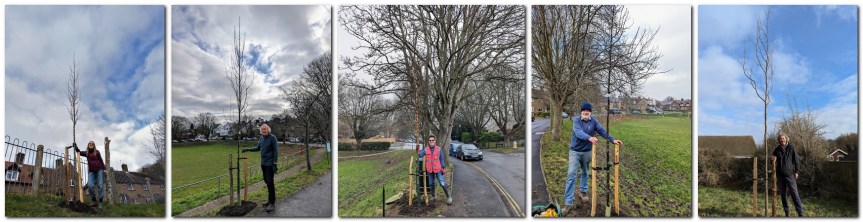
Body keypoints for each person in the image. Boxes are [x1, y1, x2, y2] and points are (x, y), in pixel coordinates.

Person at [562, 102, 622, 215]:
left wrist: (613, 140)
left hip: (587, 152)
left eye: (587, 111)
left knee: (585, 172)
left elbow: (602, 131)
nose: (585, 112)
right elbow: (578, 132)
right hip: (575, 151)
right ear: (581, 112)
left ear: (590, 112)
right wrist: (589, 137)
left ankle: (583, 192)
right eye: (584, 110)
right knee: (571, 174)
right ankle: (568, 202)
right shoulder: (576, 120)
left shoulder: (593, 121)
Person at [242, 124, 279, 213]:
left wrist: (275, 163)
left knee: (270, 182)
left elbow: (276, 150)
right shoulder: (261, 138)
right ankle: (269, 199)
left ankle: (272, 203)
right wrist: (248, 149)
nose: (263, 131)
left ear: (268, 130)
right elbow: (258, 148)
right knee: (266, 181)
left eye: (265, 129)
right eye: (262, 129)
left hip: (270, 164)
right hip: (263, 163)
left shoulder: (272, 138)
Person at [772, 134, 804, 217]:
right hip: (780, 176)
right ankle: (787, 212)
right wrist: (771, 159)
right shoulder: (777, 149)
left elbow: (796, 160)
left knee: (794, 194)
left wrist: (796, 171)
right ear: (779, 140)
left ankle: (800, 212)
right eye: (780, 139)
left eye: (783, 138)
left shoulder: (791, 148)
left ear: (786, 139)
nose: (782, 140)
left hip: (790, 175)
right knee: (783, 194)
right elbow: (772, 161)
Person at [417, 135, 452, 205]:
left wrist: (442, 167)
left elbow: (442, 158)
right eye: (430, 140)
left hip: (438, 169)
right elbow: (420, 155)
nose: (431, 141)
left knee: (442, 183)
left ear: (435, 141)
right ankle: (433, 196)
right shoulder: (426, 149)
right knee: (431, 184)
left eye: (432, 140)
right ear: (428, 141)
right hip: (429, 170)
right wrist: (417, 149)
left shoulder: (439, 149)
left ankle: (449, 197)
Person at [75, 140, 106, 209]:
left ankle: (100, 201)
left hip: (99, 170)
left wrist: (104, 168)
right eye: (90, 143)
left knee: (100, 185)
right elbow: (78, 152)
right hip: (91, 171)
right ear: (88, 145)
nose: (91, 144)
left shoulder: (97, 152)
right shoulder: (87, 153)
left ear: (94, 145)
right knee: (90, 185)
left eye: (92, 143)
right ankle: (94, 200)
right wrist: (76, 147)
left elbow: (101, 160)